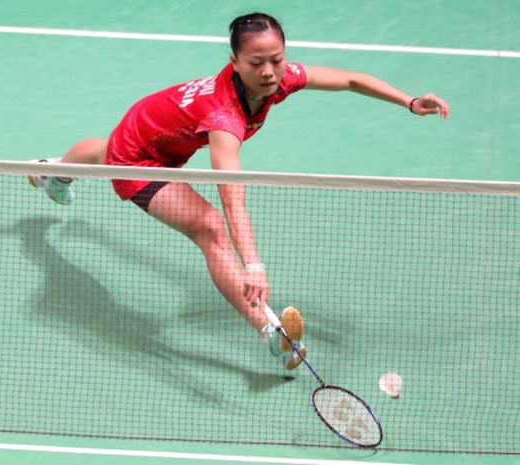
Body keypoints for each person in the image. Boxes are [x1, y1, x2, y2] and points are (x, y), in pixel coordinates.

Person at [29, 12, 450, 371]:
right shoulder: (223, 116)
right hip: (140, 159)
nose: (269, 71)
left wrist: (409, 101)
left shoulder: (278, 79)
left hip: (151, 127)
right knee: (209, 227)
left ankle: (54, 172)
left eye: (276, 60)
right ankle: (271, 331)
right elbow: (231, 193)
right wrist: (253, 264)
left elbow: (349, 79)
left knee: (108, 147)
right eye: (256, 63)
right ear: (233, 62)